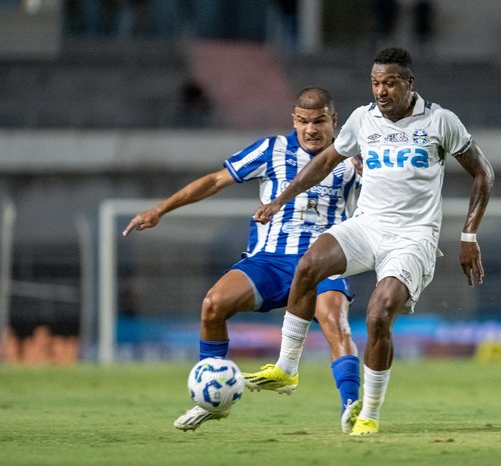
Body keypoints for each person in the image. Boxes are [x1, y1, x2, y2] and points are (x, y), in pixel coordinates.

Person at [247, 47, 495, 435]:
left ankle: (371, 413)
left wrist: (469, 235)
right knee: (308, 265)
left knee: (379, 315)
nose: (381, 90)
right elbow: (326, 161)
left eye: (390, 83)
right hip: (367, 226)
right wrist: (280, 200)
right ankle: (287, 368)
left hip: (413, 237)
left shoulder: (440, 121)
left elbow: (483, 173)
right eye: (376, 82)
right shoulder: (363, 120)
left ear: (409, 83)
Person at [123, 87, 361, 431]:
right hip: (269, 261)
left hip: (325, 260)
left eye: (319, 121)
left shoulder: (352, 157)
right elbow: (215, 181)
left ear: (334, 121)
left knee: (334, 321)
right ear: (293, 120)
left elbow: (384, 192)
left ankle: (351, 407)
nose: (310, 129)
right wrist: (161, 209)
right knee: (213, 304)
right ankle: (212, 400)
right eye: (303, 121)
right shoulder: (271, 150)